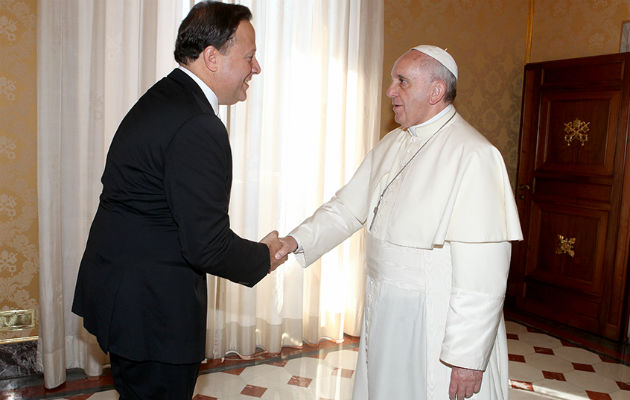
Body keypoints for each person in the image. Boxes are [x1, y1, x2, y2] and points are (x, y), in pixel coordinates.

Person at [275, 45, 523, 400]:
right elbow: (347, 208)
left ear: (436, 91)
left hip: (432, 319)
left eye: (402, 81)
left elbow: (483, 277)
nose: (390, 90)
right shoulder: (393, 142)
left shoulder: (476, 156)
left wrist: (467, 358)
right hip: (384, 306)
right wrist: (295, 241)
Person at [72, 2, 286, 399]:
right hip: (152, 312)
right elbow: (206, 244)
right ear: (211, 58)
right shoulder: (199, 125)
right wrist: (264, 256)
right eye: (250, 56)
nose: (256, 68)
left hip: (124, 294)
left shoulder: (166, 96)